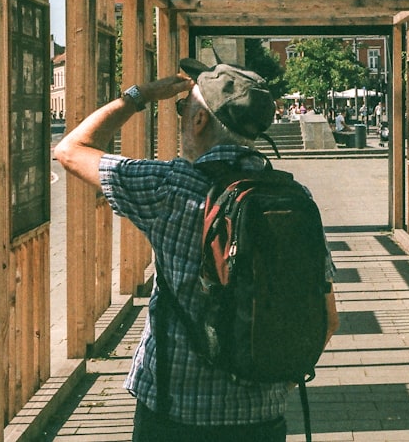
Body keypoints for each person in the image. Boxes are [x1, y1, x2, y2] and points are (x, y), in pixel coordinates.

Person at [55, 61, 340, 442]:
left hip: (175, 414)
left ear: (200, 121)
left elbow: (71, 149)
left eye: (183, 109)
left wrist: (141, 95)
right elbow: (329, 319)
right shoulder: (294, 198)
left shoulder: (167, 187)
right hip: (262, 418)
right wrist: (277, 381)